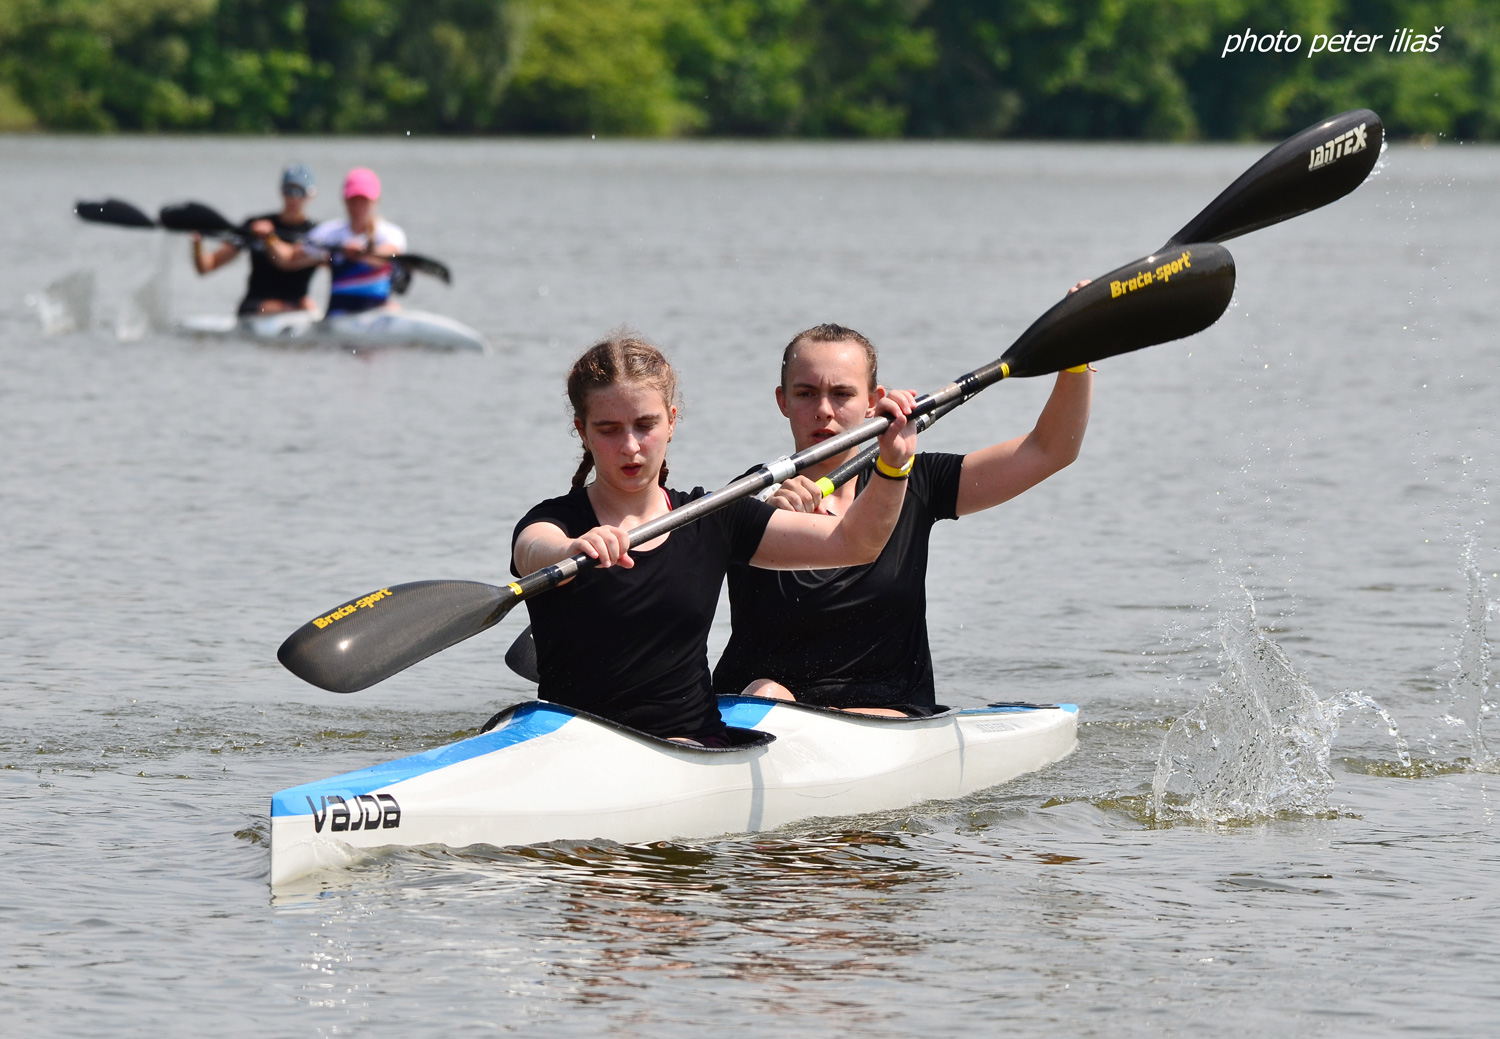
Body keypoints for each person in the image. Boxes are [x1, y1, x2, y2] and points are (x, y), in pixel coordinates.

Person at [511, 332, 920, 746]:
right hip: (570, 745)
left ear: (671, 421)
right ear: (582, 431)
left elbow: (854, 544)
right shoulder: (556, 522)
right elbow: (532, 549)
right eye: (609, 429)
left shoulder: (712, 516)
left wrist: (894, 465)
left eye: (645, 425)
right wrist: (568, 551)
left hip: (692, 746)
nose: (630, 446)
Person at [711, 322, 1092, 717]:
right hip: (758, 706)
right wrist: (765, 521)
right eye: (806, 393)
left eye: (842, 394)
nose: (823, 410)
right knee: (767, 689)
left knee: (832, 710)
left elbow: (1051, 450)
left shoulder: (919, 482)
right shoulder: (751, 496)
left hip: (887, 711)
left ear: (873, 402)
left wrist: (1075, 361)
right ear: (783, 401)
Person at [263, 167, 407, 316]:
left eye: (364, 201)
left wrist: (360, 254)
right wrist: (270, 238)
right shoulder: (329, 234)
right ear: (345, 200)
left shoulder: (390, 233)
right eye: (353, 200)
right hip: (338, 316)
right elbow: (289, 259)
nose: (358, 207)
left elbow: (389, 255)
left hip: (378, 312)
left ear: (376, 200)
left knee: (394, 309)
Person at [191, 164, 318, 316]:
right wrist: (198, 243)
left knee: (308, 305)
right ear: (281, 191)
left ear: (311, 194)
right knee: (296, 307)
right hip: (256, 307)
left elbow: (289, 259)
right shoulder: (255, 225)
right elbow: (206, 267)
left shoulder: (319, 233)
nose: (293, 197)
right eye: (288, 190)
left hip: (298, 308)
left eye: (300, 192)